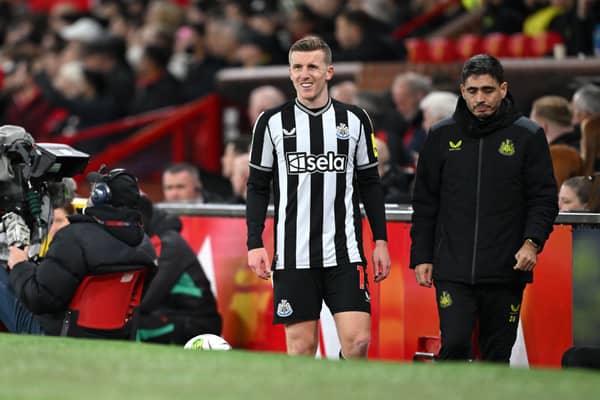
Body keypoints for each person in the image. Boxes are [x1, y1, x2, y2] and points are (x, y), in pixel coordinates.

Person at [246, 36, 391, 359]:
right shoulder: (270, 123)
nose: (304, 74)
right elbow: (256, 186)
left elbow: (370, 183)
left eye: (312, 66)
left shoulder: (355, 119)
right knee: (302, 348)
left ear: (329, 71)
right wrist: (254, 242)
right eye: (297, 67)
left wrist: (380, 240)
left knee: (358, 343)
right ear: (290, 72)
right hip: (293, 256)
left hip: (345, 253)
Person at [410, 54, 558, 363]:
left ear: (503, 89)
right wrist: (422, 255)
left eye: (488, 90)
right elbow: (426, 202)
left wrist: (532, 243)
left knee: (497, 356)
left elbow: (543, 198)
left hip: (507, 269)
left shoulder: (528, 135)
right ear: (462, 91)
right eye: (473, 90)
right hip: (452, 268)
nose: (480, 98)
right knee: (454, 346)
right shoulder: (441, 135)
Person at [0, 167, 156, 336]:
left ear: (101, 195)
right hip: (113, 336)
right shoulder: (145, 244)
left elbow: (38, 299)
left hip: (57, 334)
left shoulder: (73, 238)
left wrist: (19, 264)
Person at [137, 195, 222, 344]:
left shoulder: (170, 245)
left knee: (129, 326)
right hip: (171, 315)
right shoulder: (151, 242)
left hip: (196, 325)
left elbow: (147, 301)